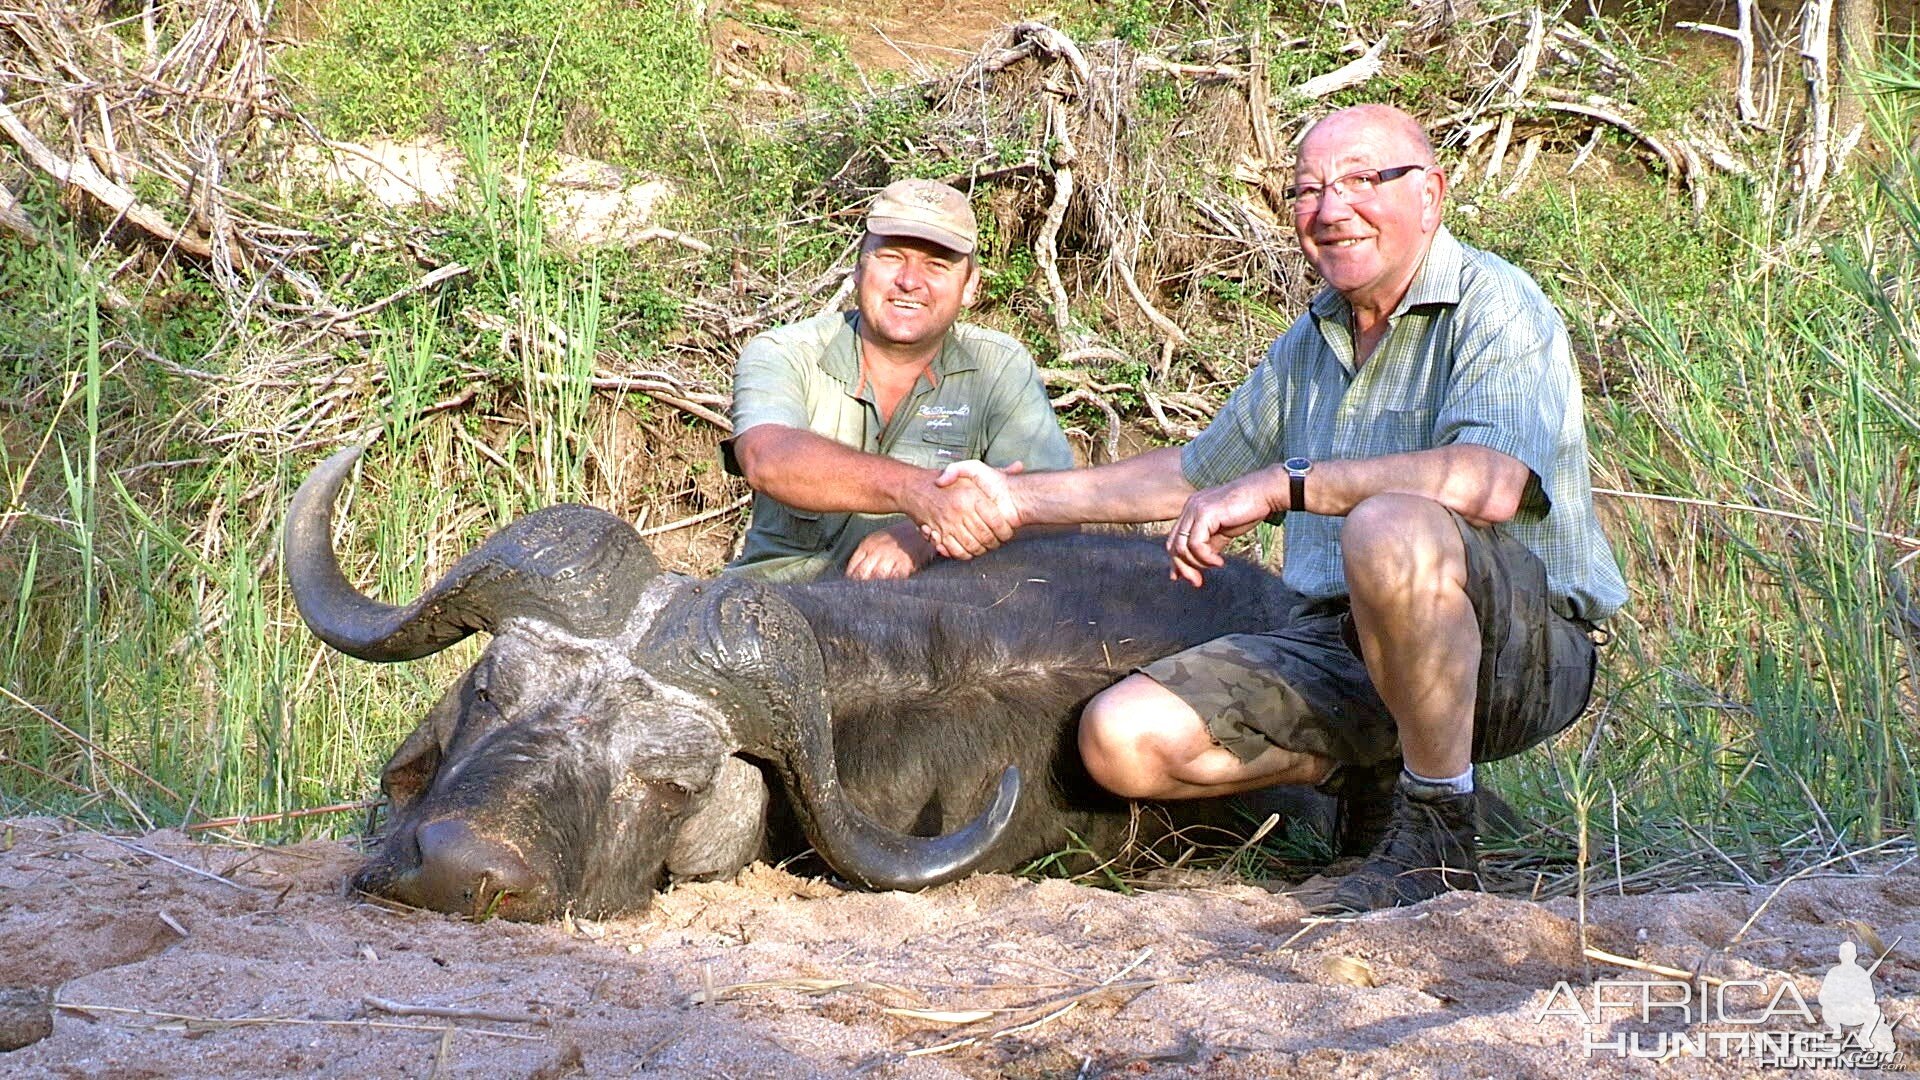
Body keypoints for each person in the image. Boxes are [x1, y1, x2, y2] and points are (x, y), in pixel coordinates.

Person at [927, 105, 1628, 914]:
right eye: (1308, 190)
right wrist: (1010, 500)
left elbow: (1490, 483)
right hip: (1346, 646)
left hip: (1520, 651)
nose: (1332, 210)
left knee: (1389, 524)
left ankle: (1438, 830)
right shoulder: (1312, 339)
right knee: (1120, 740)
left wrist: (1284, 484)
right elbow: (1191, 474)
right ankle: (1377, 775)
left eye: (1365, 180)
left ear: (1430, 194)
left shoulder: (1496, 303)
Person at [723, 178, 1074, 582]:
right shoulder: (784, 351)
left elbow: (1055, 509)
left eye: (936, 265)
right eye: (891, 257)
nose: (909, 281)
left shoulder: (1000, 366)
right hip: (777, 603)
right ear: (858, 268)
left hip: (925, 616)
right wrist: (919, 494)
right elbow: (767, 458)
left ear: (970, 287)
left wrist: (926, 536)